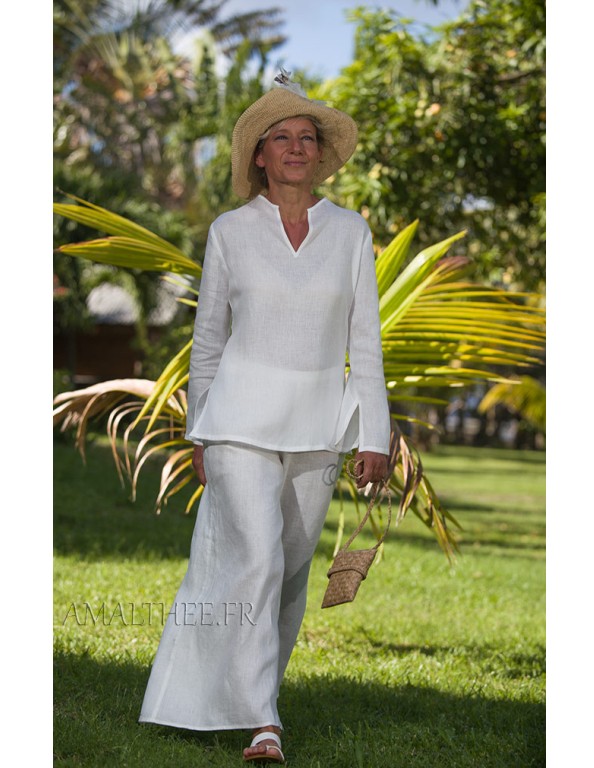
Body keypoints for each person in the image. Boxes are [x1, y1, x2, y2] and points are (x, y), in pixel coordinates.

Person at [139, 71, 391, 763]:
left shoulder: (348, 232)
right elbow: (209, 341)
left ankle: (244, 697)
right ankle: (264, 723)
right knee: (255, 557)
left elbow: (364, 339)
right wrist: (198, 430)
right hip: (237, 424)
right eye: (280, 137)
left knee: (290, 568)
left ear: (320, 152)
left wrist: (375, 432)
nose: (295, 147)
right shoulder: (229, 232)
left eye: (306, 137)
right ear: (259, 154)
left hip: (317, 423)